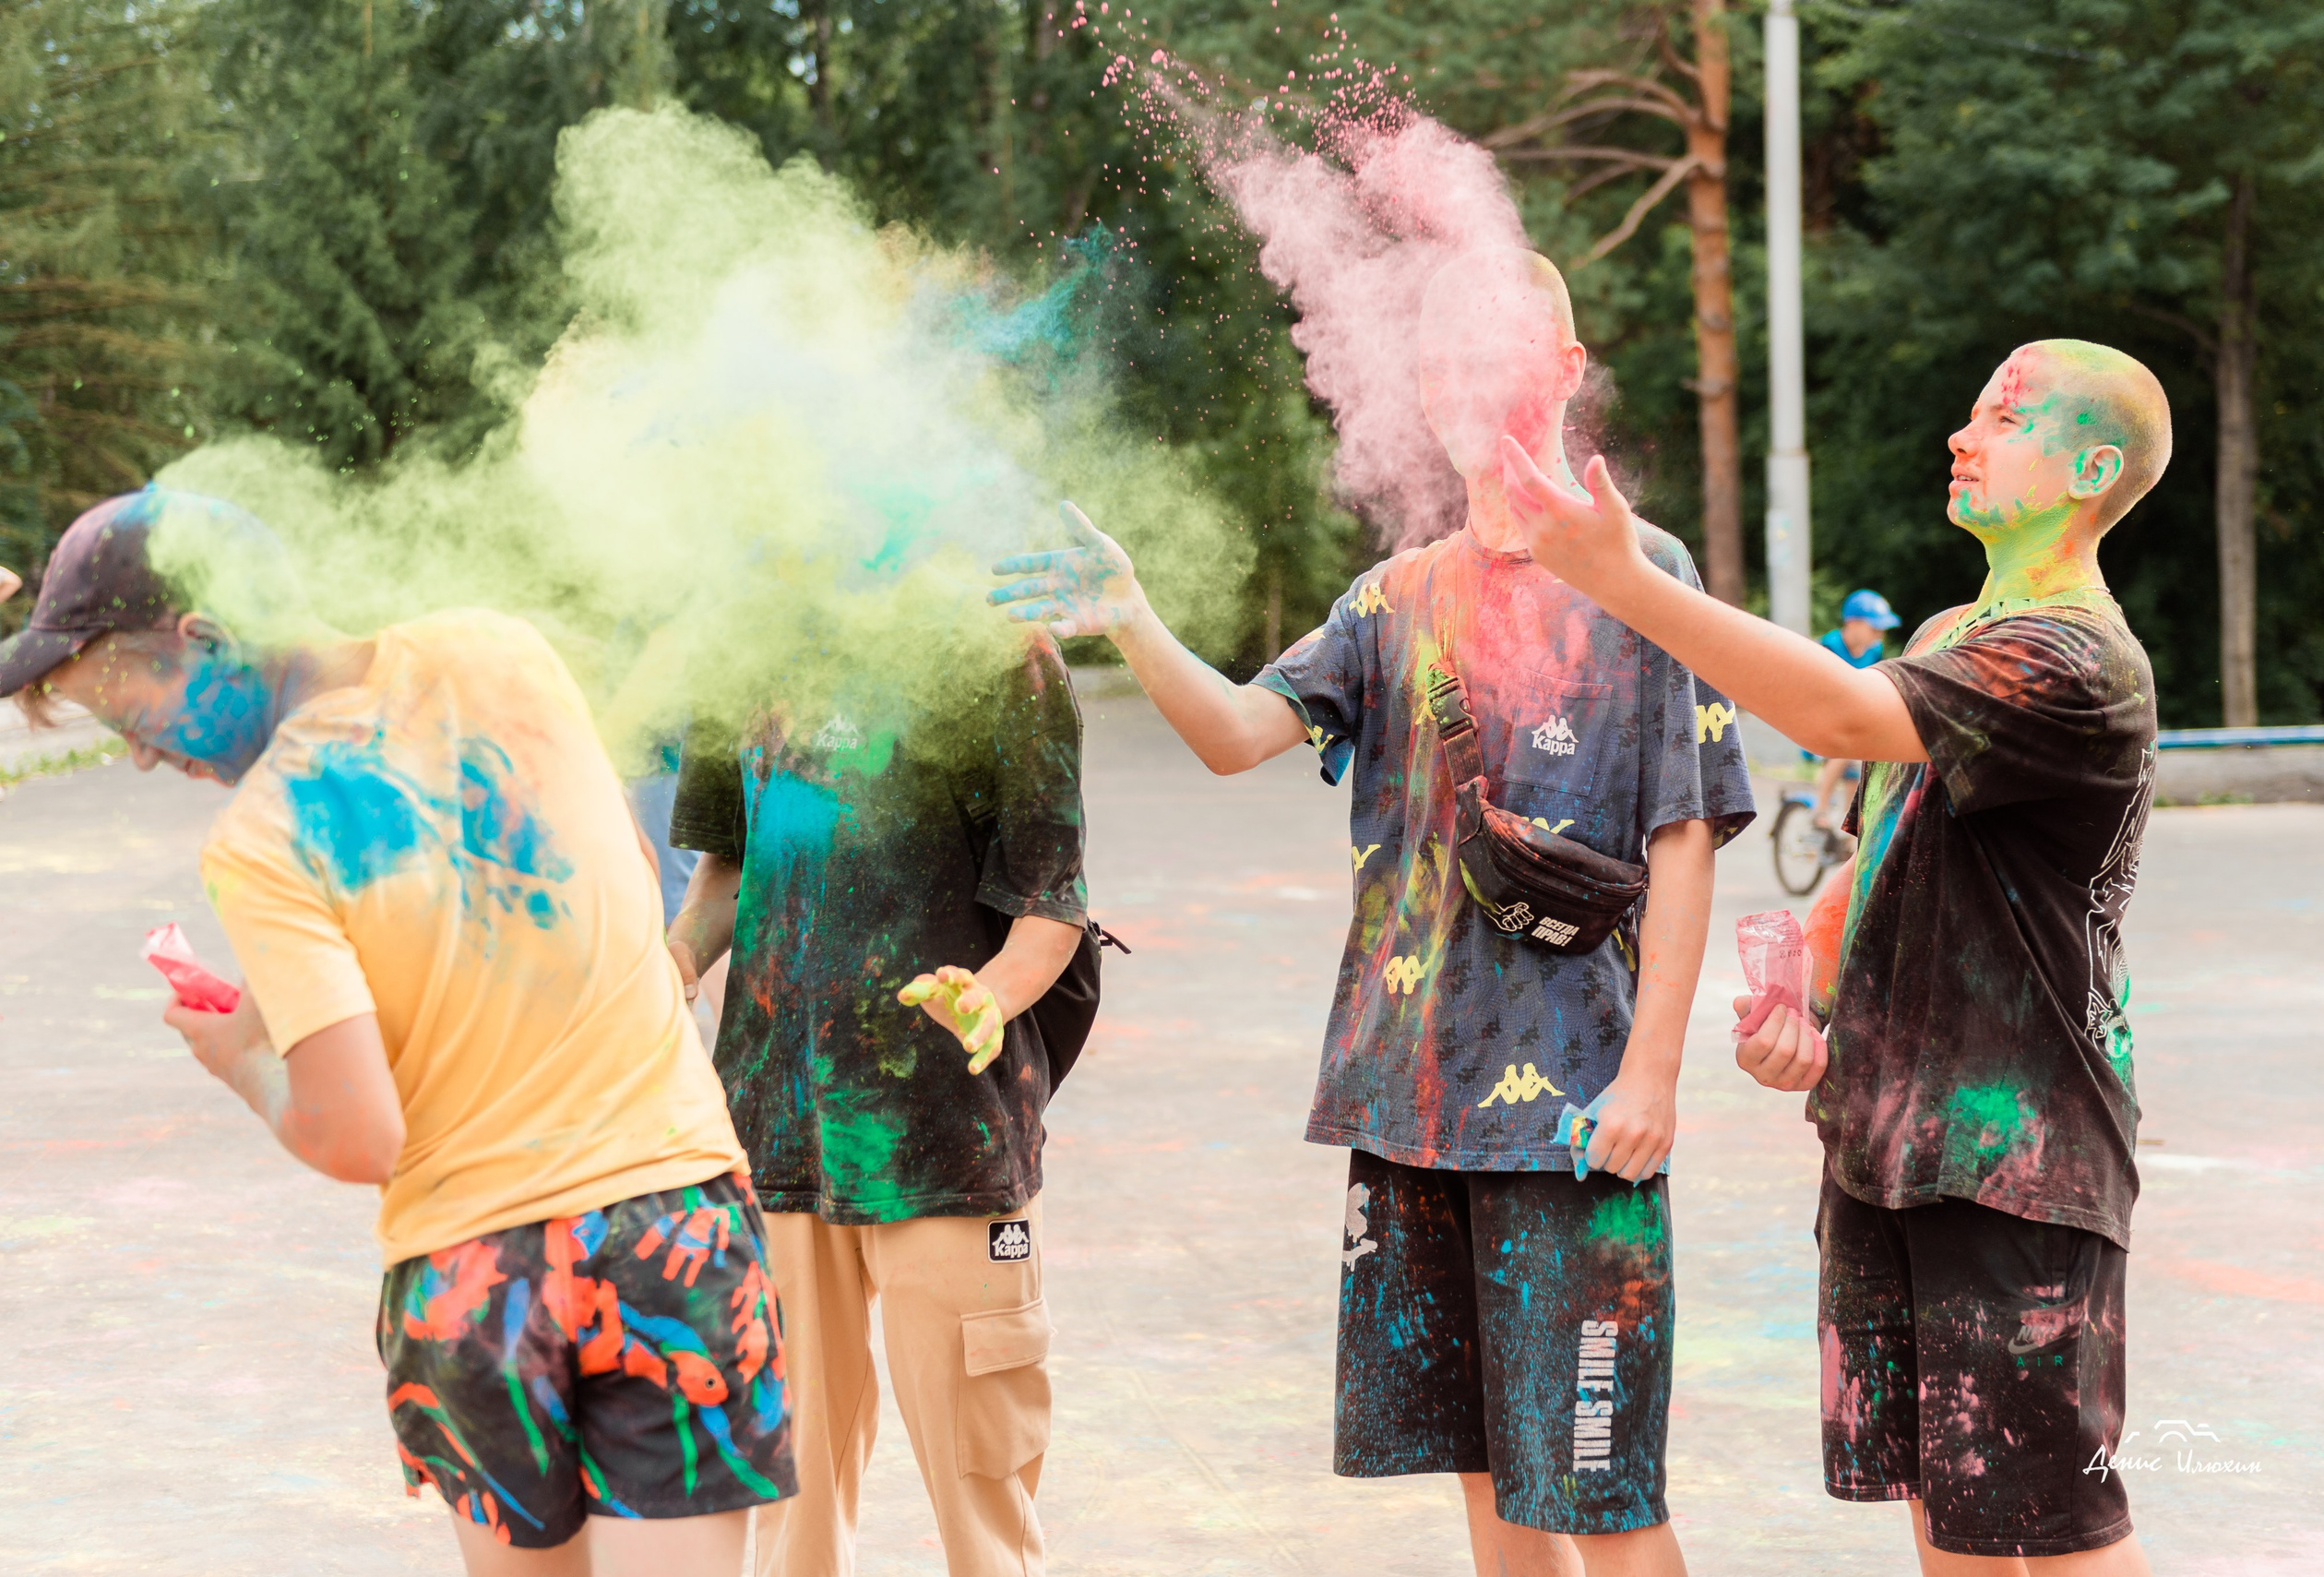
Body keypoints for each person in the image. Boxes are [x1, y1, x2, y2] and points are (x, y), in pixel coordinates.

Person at [989, 246, 1752, 1577]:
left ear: (1564, 372)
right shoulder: (1390, 596)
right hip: (1411, 1104)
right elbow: (1233, 735)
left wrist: (1653, 1077)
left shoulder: (1641, 572)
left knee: (1600, 1485)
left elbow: (1685, 838)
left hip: (1575, 1115)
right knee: (1483, 1479)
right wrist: (1131, 615)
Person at [0, 488, 794, 1575]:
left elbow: (357, 1134)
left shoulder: (264, 832)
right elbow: (612, 874)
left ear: (208, 639)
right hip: (671, 1228)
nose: (141, 756)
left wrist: (247, 1061)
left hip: (475, 1273)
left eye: (131, 715)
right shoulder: (500, 653)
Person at [1499, 339, 2165, 1573]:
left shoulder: (2073, 660)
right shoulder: (1958, 630)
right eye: (1972, 414)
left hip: (2017, 1160)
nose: (1964, 437)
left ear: (2091, 467)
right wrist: (1802, 1000)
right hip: (1890, 1145)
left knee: (2058, 1529)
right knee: (1948, 1511)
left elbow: (1840, 715)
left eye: (2003, 420)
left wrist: (1626, 579)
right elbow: (1873, 859)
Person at [661, 627, 1087, 1577]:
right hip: (773, 1130)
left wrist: (991, 994)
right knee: (785, 1490)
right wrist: (675, 955)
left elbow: (1049, 903)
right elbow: (728, 872)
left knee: (984, 1491)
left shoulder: (1000, 651)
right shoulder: (739, 639)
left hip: (951, 1138)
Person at [1809, 590, 1901, 831]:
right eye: (1875, 628)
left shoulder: (1873, 650)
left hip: (1852, 719)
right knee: (1844, 751)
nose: (1879, 635)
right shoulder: (1829, 647)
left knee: (1862, 761)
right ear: (1853, 623)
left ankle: (1845, 822)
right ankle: (1820, 807)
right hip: (1824, 719)